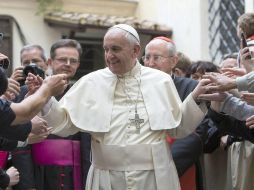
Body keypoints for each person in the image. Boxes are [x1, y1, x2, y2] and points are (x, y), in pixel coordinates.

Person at [31, 24, 210, 190]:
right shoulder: (90, 82)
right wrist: (45, 98)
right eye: (106, 49)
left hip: (154, 177)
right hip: (107, 178)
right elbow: (63, 125)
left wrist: (196, 97)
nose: (109, 55)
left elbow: (178, 128)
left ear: (135, 50)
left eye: (115, 49)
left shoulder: (160, 81)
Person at [31, 39, 91, 190]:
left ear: (78, 65)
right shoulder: (32, 89)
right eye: (63, 59)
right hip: (39, 173)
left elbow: (87, 143)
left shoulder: (85, 94)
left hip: (75, 174)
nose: (68, 64)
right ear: (50, 62)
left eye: (73, 61)